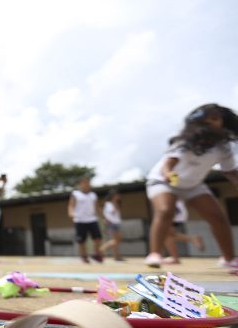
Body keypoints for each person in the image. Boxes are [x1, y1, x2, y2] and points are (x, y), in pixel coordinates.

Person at [144, 104, 238, 268]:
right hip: (163, 181)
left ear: (225, 123)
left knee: (217, 216)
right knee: (166, 210)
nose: (210, 123)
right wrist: (167, 174)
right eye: (207, 120)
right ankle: (155, 254)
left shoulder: (224, 148)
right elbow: (169, 163)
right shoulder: (185, 141)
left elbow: (229, 171)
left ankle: (229, 259)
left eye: (215, 119)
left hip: (193, 185)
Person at [68, 177, 104, 264]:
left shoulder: (93, 195)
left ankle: (96, 254)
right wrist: (71, 213)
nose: (86, 184)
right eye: (84, 182)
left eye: (88, 182)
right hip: (80, 220)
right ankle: (84, 256)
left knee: (98, 238)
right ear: (80, 184)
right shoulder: (75, 194)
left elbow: (96, 207)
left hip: (92, 219)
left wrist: (102, 216)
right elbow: (71, 205)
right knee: (81, 240)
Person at [161, 200, 205, 264]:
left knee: (167, 234)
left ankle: (175, 258)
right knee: (168, 234)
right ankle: (175, 258)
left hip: (173, 208)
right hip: (174, 208)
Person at [99, 189, 125, 261]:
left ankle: (116, 256)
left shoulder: (116, 203)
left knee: (117, 240)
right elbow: (105, 213)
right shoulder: (108, 204)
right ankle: (102, 249)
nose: (118, 196)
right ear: (113, 196)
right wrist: (107, 221)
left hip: (116, 223)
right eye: (117, 195)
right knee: (117, 239)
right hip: (112, 223)